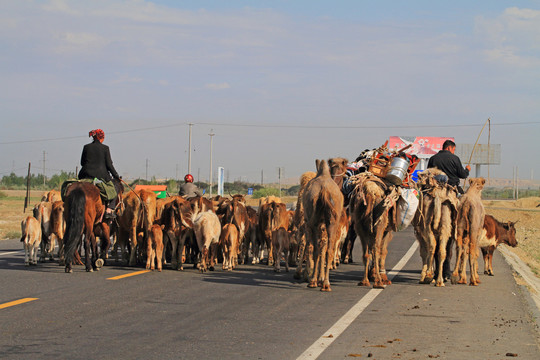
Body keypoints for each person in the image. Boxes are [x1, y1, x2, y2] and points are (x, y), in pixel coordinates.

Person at [78, 129, 121, 220]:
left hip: (85, 176)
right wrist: (116, 176)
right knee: (116, 188)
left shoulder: (86, 147)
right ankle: (108, 211)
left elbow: (82, 163)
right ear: (101, 138)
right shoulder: (105, 148)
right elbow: (109, 165)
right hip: (101, 177)